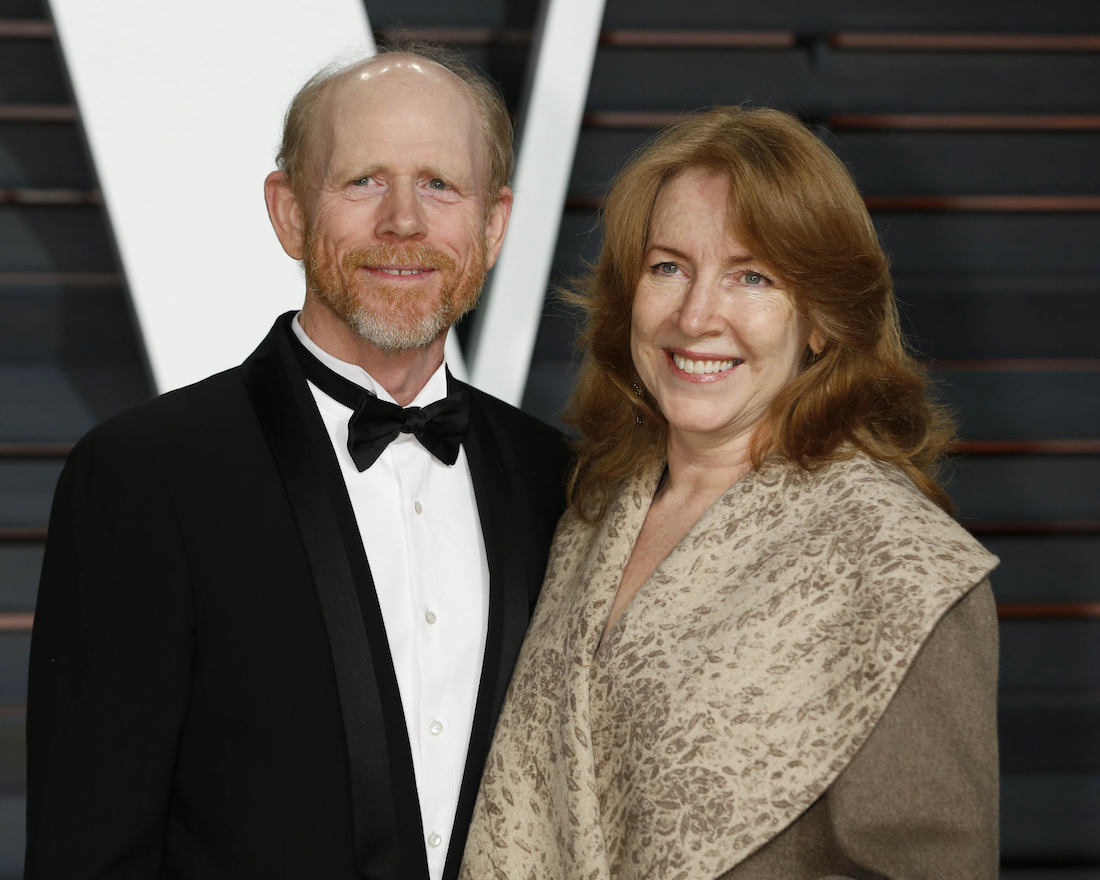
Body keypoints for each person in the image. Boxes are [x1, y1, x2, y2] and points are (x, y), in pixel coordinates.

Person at [26, 45, 570, 880]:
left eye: (439, 184)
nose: (404, 222)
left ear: (493, 224)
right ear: (288, 211)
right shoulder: (146, 477)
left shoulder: (559, 481)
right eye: (362, 181)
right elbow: (89, 850)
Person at [461, 106, 999, 880]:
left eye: (752, 276)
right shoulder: (587, 514)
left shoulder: (900, 568)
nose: (696, 315)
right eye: (668, 267)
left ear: (819, 320)